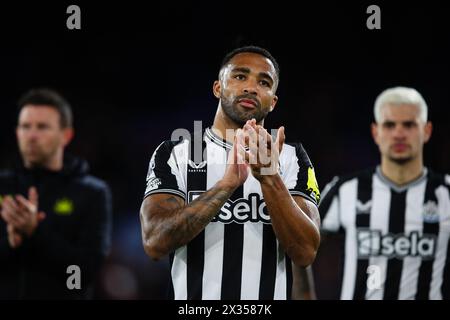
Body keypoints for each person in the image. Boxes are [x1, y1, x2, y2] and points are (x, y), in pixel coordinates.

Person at [140, 46, 321, 300]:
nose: (251, 87)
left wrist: (270, 177)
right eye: (240, 76)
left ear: (273, 101)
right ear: (217, 88)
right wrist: (225, 186)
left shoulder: (292, 157)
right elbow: (154, 242)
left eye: (264, 82)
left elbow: (305, 252)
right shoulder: (175, 153)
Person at [316, 86, 450, 300]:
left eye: (409, 125)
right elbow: (300, 247)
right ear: (375, 132)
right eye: (389, 125)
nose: (398, 133)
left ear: (427, 131)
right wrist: (304, 295)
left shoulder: (446, 194)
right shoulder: (345, 190)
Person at [0, 88, 113, 299]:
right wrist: (10, 243)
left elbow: (83, 274)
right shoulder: (3, 187)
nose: (32, 135)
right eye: (25, 126)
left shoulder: (93, 193)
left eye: (42, 127)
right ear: (17, 133)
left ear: (66, 135)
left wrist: (35, 232)